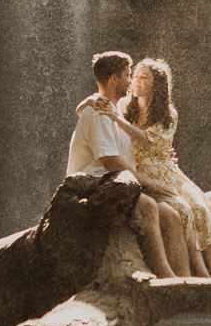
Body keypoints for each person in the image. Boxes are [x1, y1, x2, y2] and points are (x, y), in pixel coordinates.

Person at [84, 56, 211, 279]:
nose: (135, 80)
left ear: (156, 85)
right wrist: (87, 103)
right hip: (139, 171)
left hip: (166, 170)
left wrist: (117, 120)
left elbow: (150, 141)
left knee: (202, 207)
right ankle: (199, 274)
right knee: (183, 210)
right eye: (134, 75)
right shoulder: (122, 107)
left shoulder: (167, 114)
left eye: (143, 77)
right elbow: (97, 102)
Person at [67, 50, 191, 278]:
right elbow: (110, 162)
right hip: (92, 185)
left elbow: (131, 148)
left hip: (118, 182)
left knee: (172, 216)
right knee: (149, 206)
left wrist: (164, 158)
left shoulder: (113, 110)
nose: (131, 79)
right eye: (127, 74)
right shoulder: (98, 112)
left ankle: (187, 281)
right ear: (113, 79)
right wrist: (151, 184)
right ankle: (165, 276)